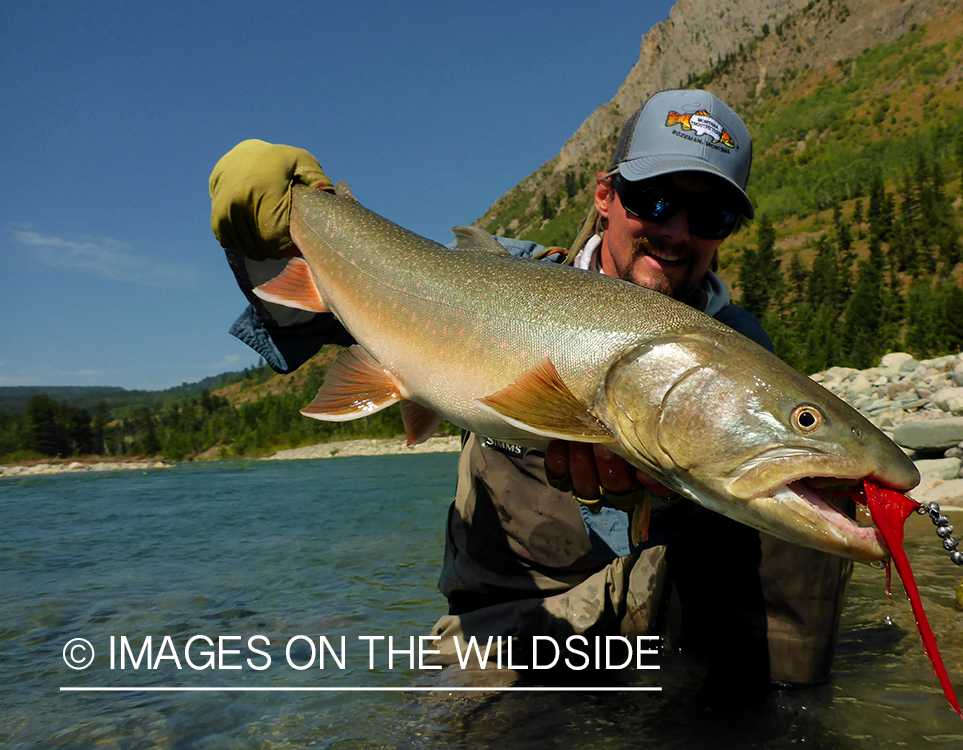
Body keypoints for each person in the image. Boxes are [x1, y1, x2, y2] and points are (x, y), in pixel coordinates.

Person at [210, 90, 854, 694]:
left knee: (822, 495)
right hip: (514, 623)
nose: (678, 231)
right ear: (606, 196)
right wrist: (272, 226)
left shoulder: (743, 350)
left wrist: (671, 498)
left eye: (710, 214)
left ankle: (773, 714)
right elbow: (310, 314)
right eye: (654, 200)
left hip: (676, 626)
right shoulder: (499, 273)